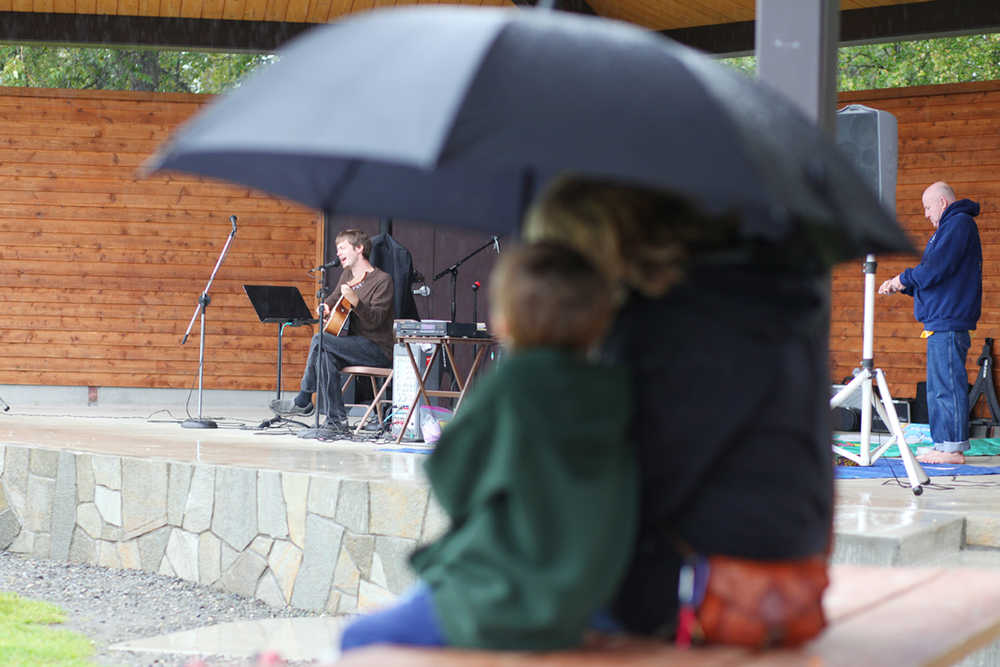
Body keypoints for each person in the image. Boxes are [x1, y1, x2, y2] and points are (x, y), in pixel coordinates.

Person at [523, 175, 834, 641]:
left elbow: (636, 486)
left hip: (709, 595)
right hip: (796, 573)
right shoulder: (774, 299)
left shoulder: (664, 323)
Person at [339, 241, 636, 652]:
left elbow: (449, 479)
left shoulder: (513, 383)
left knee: (358, 639)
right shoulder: (618, 390)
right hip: (587, 600)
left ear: (505, 320)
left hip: (499, 597)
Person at [878, 181, 982, 465]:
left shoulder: (958, 224)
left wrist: (903, 279)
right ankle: (943, 443)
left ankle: (952, 448)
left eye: (927, 207)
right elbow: (934, 275)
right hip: (940, 319)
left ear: (942, 203)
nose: (925, 214)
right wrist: (904, 285)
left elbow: (935, 269)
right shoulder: (948, 228)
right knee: (938, 386)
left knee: (947, 383)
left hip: (949, 319)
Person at [270, 229, 394, 439]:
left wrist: (356, 302)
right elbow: (334, 297)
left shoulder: (383, 280)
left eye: (342, 248)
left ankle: (304, 398)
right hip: (354, 343)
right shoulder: (347, 275)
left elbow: (376, 320)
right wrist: (326, 307)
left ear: (359, 248)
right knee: (325, 356)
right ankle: (336, 422)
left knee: (320, 340)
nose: (338, 253)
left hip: (377, 348)